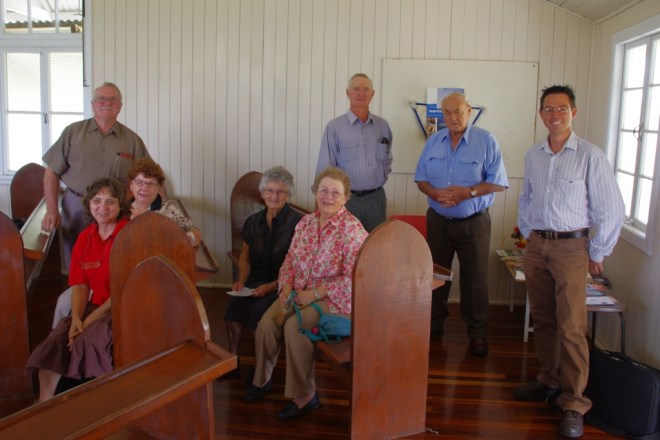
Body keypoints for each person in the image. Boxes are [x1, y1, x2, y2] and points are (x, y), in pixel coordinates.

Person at [514, 85, 625, 438]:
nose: (555, 115)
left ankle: (574, 402)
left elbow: (611, 209)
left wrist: (598, 252)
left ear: (573, 112)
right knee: (544, 318)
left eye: (562, 108)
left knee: (572, 326)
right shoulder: (534, 154)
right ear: (541, 114)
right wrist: (529, 235)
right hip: (538, 246)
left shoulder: (590, 155)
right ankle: (549, 379)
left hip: (572, 249)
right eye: (549, 109)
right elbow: (526, 197)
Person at [244, 166, 368, 420]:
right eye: (323, 190)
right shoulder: (306, 223)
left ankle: (305, 396)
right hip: (297, 291)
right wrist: (286, 285)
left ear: (345, 197)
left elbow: (355, 278)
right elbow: (290, 259)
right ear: (315, 192)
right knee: (267, 324)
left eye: (335, 192)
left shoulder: (352, 229)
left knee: (295, 328)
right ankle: (262, 380)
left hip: (334, 299)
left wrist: (315, 294)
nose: (328, 197)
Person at [50, 157, 202, 327]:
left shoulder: (167, 208)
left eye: (150, 184)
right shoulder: (122, 208)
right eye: (139, 182)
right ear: (131, 185)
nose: (144, 188)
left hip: (143, 276)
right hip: (107, 272)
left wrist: (181, 239)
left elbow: (194, 232)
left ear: (159, 187)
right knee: (65, 303)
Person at [414, 92, 508, 356]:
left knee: (475, 280)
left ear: (469, 110)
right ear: (441, 114)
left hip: (474, 223)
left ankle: (477, 333)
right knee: (435, 276)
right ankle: (433, 326)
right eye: (447, 112)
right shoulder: (434, 141)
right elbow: (421, 179)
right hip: (438, 222)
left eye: (458, 111)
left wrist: (469, 193)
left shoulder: (486, 140)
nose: (453, 117)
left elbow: (498, 183)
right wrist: (434, 194)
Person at [26, 178, 131, 401]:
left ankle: (92, 406)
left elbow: (122, 292)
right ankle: (45, 406)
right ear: (89, 204)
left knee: (87, 342)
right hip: (95, 304)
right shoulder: (86, 237)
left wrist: (87, 321)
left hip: (121, 308)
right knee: (54, 343)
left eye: (110, 201)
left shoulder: (128, 236)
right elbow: (81, 286)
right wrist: (75, 319)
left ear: (120, 205)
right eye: (97, 200)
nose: (103, 207)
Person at [41, 82, 149, 268]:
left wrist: (148, 207)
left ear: (120, 107)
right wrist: (51, 210)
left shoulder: (132, 140)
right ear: (92, 104)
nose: (107, 103)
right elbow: (51, 173)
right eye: (101, 99)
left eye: (112, 100)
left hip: (116, 209)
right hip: (76, 206)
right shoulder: (72, 132)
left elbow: (146, 177)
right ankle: (78, 286)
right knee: (77, 258)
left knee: (112, 260)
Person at [224, 166, 303, 355]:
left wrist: (271, 286)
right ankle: (233, 357)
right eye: (270, 191)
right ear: (262, 193)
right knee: (233, 310)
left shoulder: (298, 223)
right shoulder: (253, 221)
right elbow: (245, 257)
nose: (274, 196)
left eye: (280, 192)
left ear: (288, 195)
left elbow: (300, 267)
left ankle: (263, 363)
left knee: (258, 313)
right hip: (254, 281)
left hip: (283, 285)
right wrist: (242, 280)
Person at [315, 73, 393, 232]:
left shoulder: (382, 126)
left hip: (375, 200)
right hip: (345, 200)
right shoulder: (335, 127)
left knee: (375, 243)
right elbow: (325, 169)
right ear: (348, 93)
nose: (361, 93)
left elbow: (387, 161)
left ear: (373, 94)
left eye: (366, 89)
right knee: (343, 243)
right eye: (356, 89)